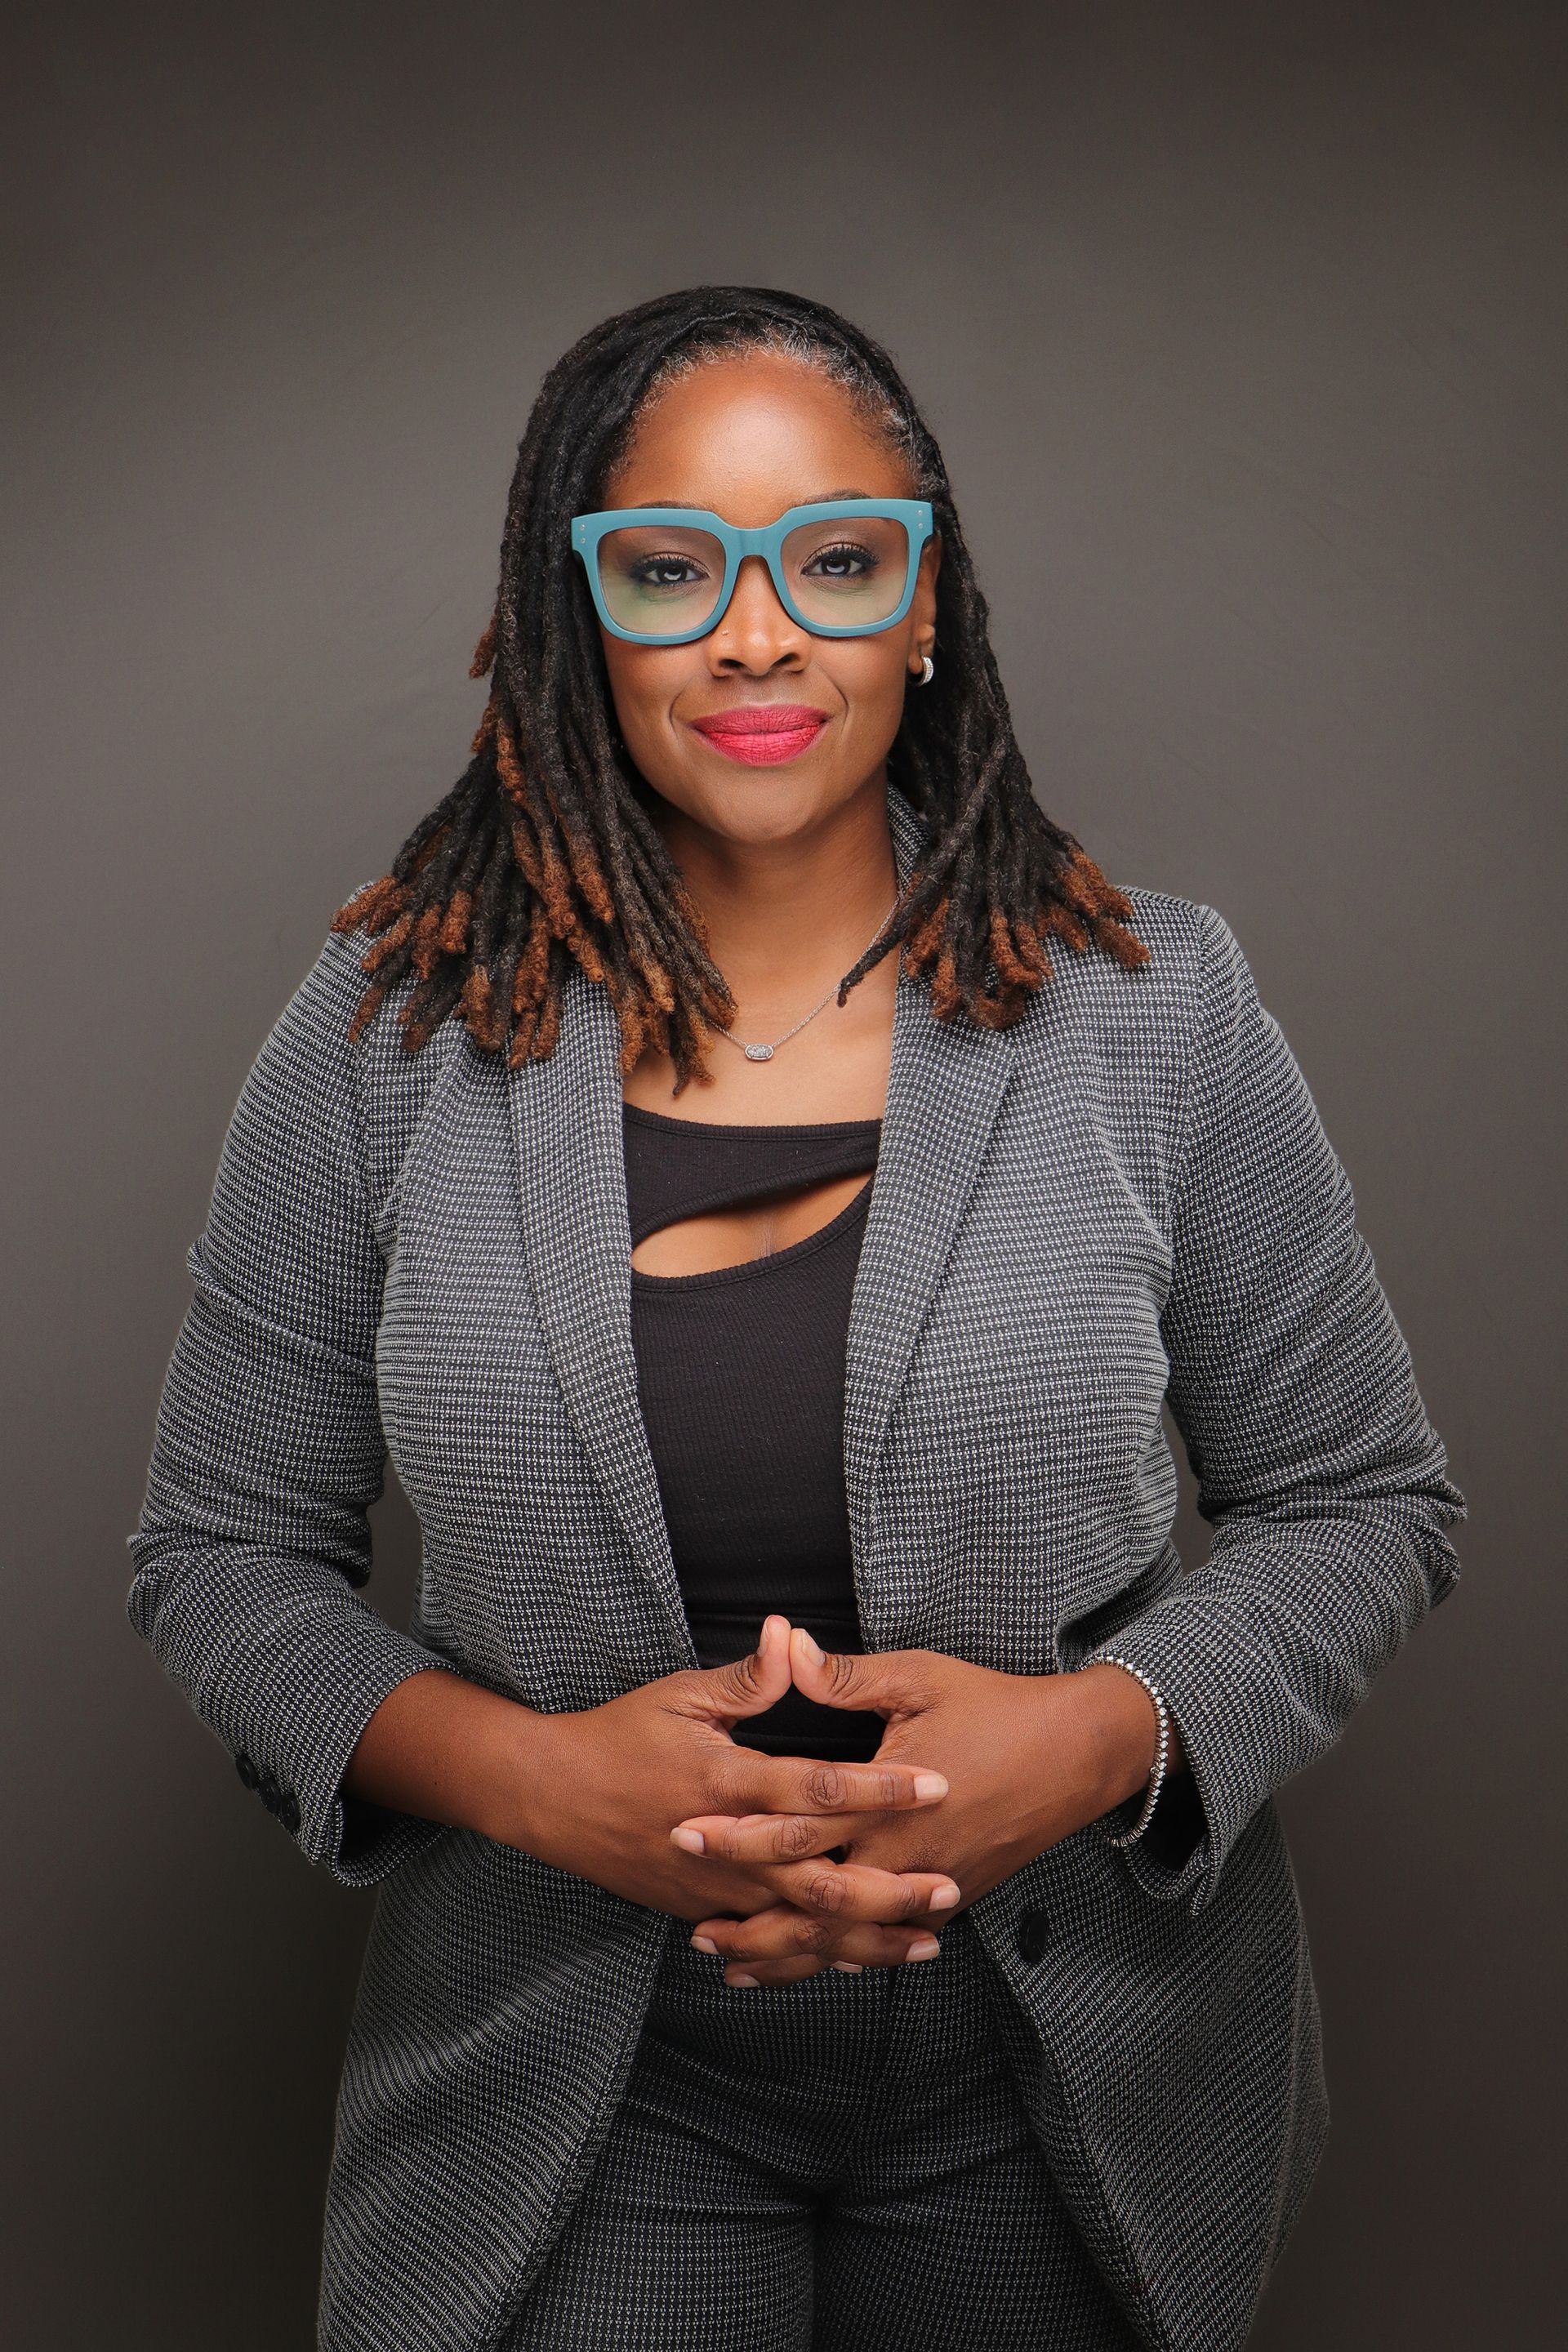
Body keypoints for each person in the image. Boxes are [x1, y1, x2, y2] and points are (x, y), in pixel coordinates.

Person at [126, 284, 1467, 2352]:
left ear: (924, 606)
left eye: (834, 560)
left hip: (1061, 2060)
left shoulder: (1152, 1008)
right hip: (582, 2066)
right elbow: (218, 1555)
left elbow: (1363, 1501)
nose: (758, 632)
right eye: (672, 571)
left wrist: (1096, 1743)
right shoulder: (390, 1036)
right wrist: (531, 1783)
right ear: (581, 621)